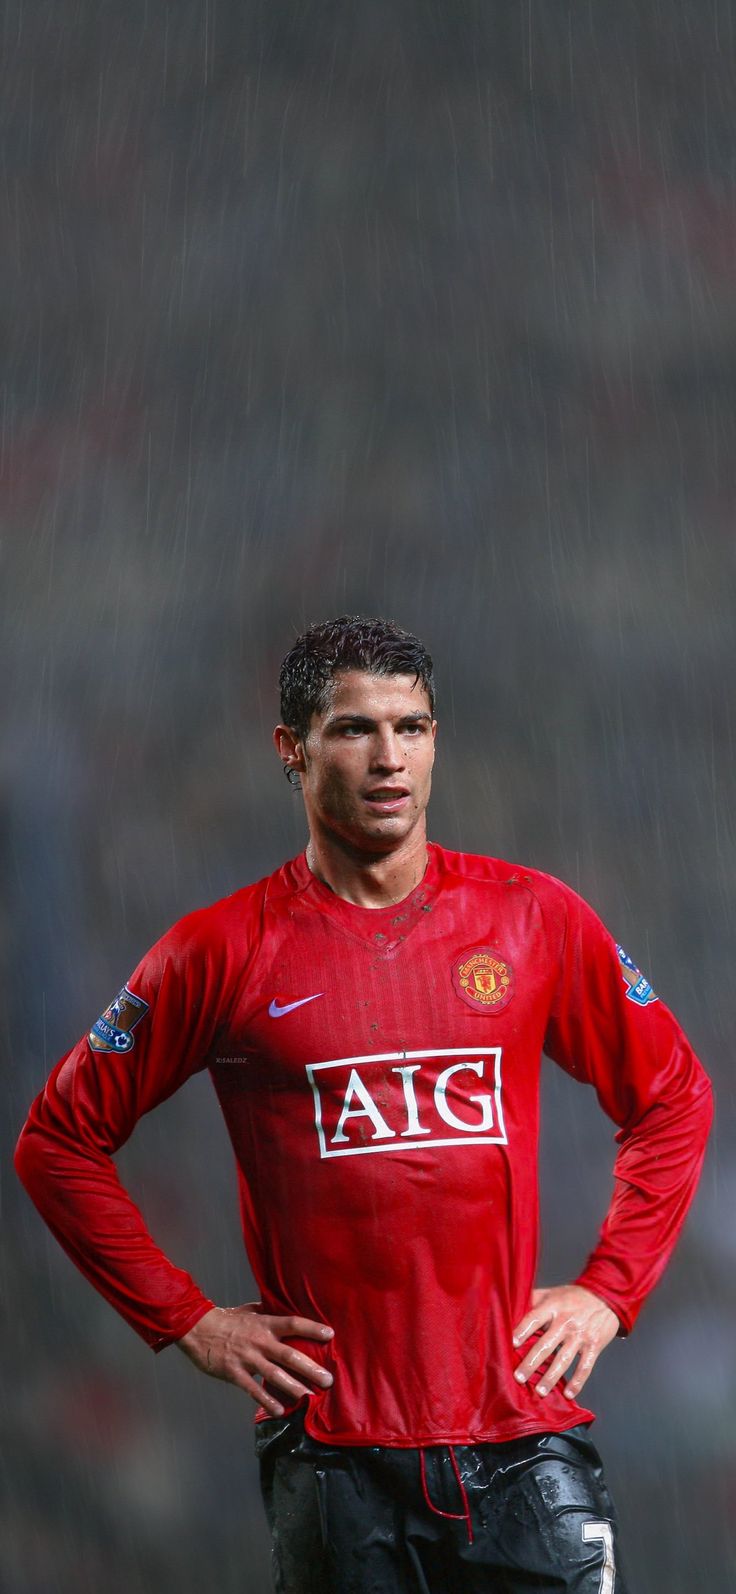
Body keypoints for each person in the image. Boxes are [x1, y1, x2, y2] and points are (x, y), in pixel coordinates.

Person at [16, 615, 712, 1594]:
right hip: (335, 1457)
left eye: (413, 727)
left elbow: (672, 1093)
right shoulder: (219, 952)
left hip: (521, 1439)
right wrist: (189, 1320)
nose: (390, 756)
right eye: (355, 729)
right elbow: (58, 1141)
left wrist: (609, 1287)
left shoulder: (532, 918)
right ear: (291, 752)